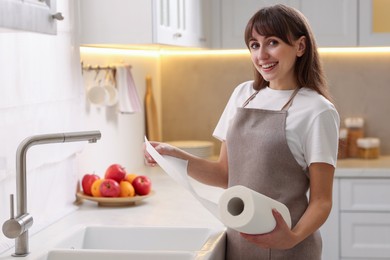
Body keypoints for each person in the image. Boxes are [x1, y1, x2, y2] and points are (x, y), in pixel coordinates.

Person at [144, 4, 339, 260]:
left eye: (272, 42)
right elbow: (225, 174)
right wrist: (173, 155)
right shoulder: (243, 95)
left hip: (289, 247)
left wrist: (291, 237)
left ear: (300, 46)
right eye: (254, 45)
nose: (262, 55)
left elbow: (321, 201)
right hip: (238, 242)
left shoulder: (317, 110)